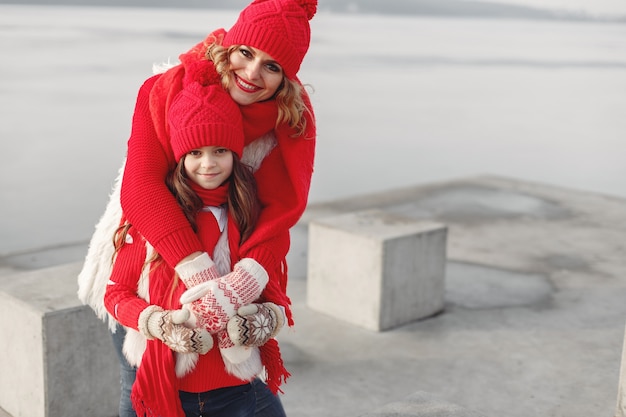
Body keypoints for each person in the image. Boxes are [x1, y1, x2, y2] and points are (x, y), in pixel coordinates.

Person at [77, 0, 317, 415]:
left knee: (237, 386)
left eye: (272, 67)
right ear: (229, 46)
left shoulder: (288, 120)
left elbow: (279, 216)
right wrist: (201, 276)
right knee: (139, 384)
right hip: (148, 261)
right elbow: (142, 188)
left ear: (287, 77)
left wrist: (238, 285)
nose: (252, 73)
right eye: (246, 53)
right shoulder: (165, 90)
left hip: (232, 274)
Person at [104, 75, 287, 417]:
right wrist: (158, 323)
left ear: (235, 154)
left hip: (235, 390)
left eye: (220, 151)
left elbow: (272, 293)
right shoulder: (153, 220)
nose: (208, 164)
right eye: (195, 152)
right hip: (169, 386)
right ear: (179, 155)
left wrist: (264, 319)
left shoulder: (247, 216)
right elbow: (115, 294)